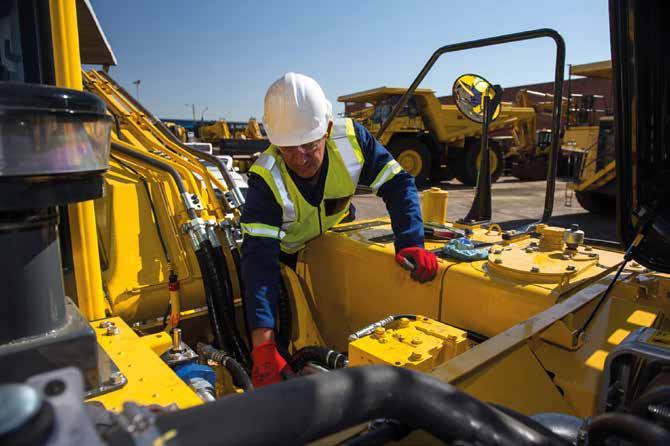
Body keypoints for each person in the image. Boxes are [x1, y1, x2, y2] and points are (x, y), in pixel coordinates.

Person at [240, 73, 438, 387]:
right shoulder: (266, 178)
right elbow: (258, 262)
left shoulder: (352, 140)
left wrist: (411, 242)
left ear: (328, 130)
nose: (299, 158)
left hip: (337, 230)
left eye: (308, 145)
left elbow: (399, 183)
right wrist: (263, 345)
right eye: (288, 148)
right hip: (288, 258)